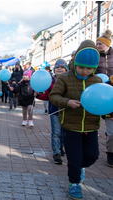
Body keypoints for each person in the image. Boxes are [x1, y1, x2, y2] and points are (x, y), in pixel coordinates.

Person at [49, 40, 102, 200]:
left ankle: (81, 168)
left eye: (89, 68)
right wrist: (68, 102)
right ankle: (74, 184)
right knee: (74, 157)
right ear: (75, 63)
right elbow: (54, 96)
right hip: (71, 125)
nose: (85, 71)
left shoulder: (97, 81)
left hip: (91, 126)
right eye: (81, 67)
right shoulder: (65, 78)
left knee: (92, 156)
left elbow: (103, 100)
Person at [36, 59, 68, 164]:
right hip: (54, 110)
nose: (59, 69)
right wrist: (39, 95)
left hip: (67, 110)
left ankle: (60, 146)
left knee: (64, 132)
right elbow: (47, 95)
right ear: (54, 70)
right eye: (57, 67)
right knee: (56, 132)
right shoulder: (50, 81)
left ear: (66, 69)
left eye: (62, 67)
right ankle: (56, 153)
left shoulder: (69, 81)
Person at [96, 30, 113, 167]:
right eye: (96, 43)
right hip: (99, 92)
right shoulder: (96, 56)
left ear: (107, 44)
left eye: (100, 43)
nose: (97, 45)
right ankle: (110, 153)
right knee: (110, 130)